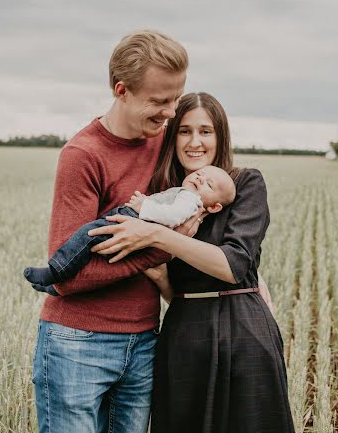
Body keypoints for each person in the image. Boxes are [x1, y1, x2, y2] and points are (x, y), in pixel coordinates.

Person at [89, 92, 295, 433]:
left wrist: (155, 237)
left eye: (206, 131)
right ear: (172, 137)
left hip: (244, 332)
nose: (194, 142)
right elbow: (177, 289)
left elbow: (233, 266)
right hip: (185, 332)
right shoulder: (162, 198)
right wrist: (158, 269)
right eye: (184, 131)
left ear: (221, 137)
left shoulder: (244, 183)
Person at [31, 30, 189, 433]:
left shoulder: (167, 140)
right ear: (122, 90)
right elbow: (67, 278)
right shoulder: (83, 156)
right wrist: (161, 248)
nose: (171, 112)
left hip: (145, 339)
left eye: (176, 98)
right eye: (158, 101)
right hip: (76, 344)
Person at [24, 165, 236, 292]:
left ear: (215, 206)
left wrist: (144, 206)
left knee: (87, 235)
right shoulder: (186, 194)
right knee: (97, 260)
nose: (200, 178)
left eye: (209, 184)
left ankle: (56, 269)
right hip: (138, 224)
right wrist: (148, 201)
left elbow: (171, 217)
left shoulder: (191, 200)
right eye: (200, 174)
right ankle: (57, 287)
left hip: (134, 222)